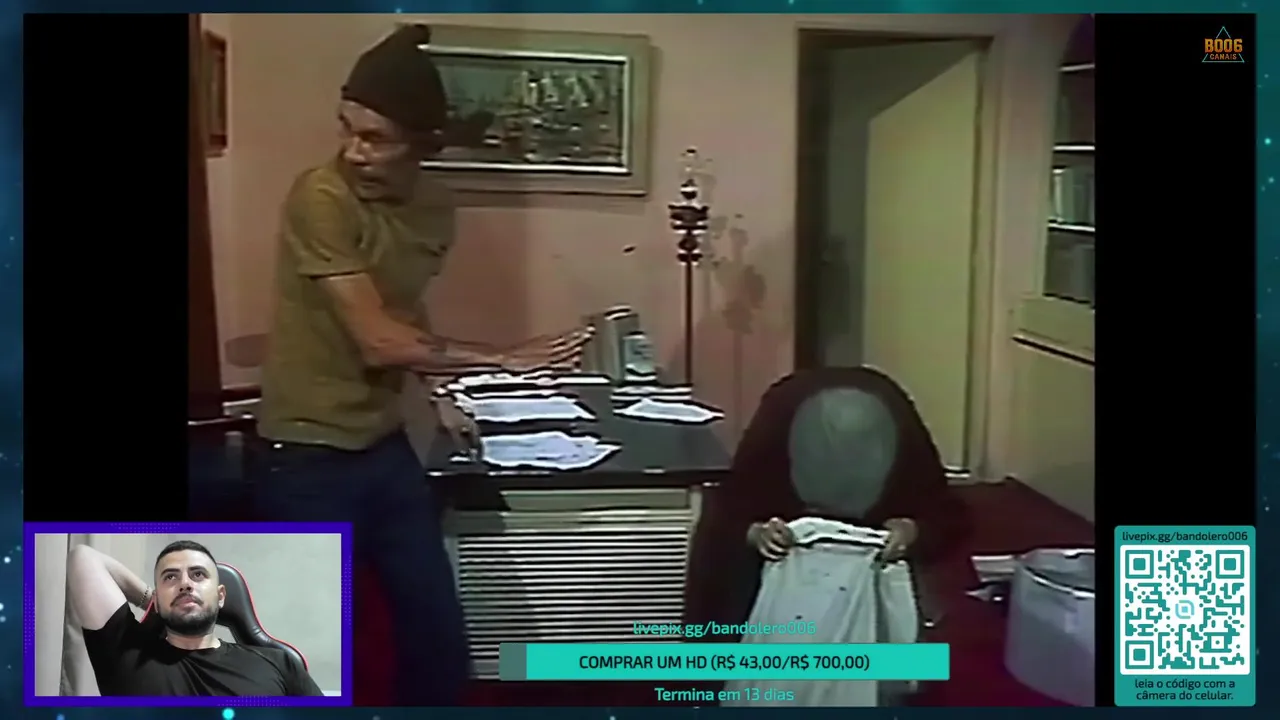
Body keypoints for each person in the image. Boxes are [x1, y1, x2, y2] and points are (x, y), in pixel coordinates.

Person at [251, 24, 591, 706]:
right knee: (305, 657)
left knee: (435, 636)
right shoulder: (320, 197)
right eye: (347, 129)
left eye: (375, 138)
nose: (353, 152)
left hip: (382, 446)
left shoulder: (435, 207)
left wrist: (441, 393)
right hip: (303, 454)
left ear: (422, 145)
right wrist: (504, 357)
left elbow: (401, 311)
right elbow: (378, 340)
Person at [682, 367, 973, 647]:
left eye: (864, 446)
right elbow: (724, 524)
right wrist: (754, 534)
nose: (847, 465)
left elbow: (945, 515)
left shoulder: (906, 465)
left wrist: (914, 531)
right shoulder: (767, 458)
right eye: (821, 445)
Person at [67, 540, 323, 697]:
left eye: (198, 574)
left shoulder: (277, 663)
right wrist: (149, 600)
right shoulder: (126, 655)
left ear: (221, 596)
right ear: (158, 598)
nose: (185, 584)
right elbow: (83, 558)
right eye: (170, 577)